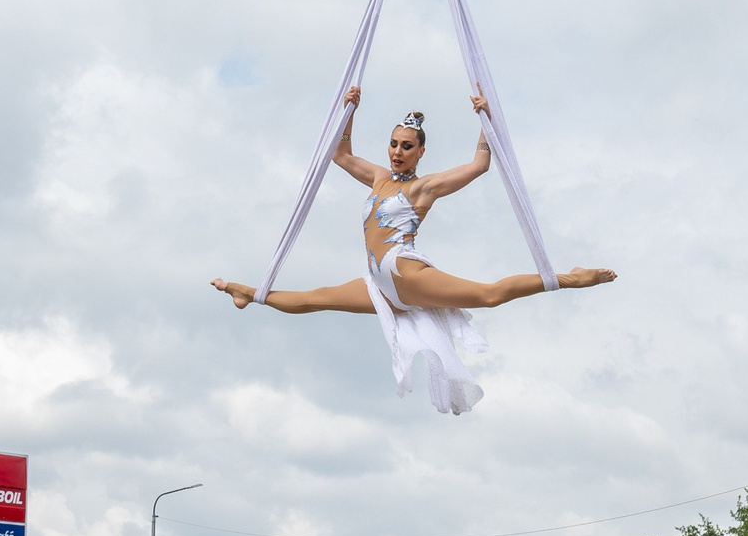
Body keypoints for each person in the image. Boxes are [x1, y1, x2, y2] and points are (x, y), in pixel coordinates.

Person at [211, 90, 616, 415]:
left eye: (406, 146)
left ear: (421, 152)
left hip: (403, 272)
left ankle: (568, 278)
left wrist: (485, 120)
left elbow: (479, 165)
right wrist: (349, 109)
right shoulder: (379, 178)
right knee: (314, 299)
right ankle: (250, 292)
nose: (397, 151)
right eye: (393, 144)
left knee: (488, 295)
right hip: (378, 282)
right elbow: (340, 154)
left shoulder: (422, 188)